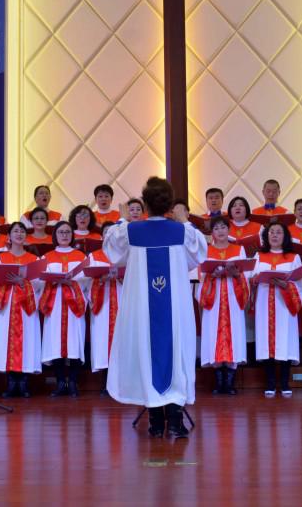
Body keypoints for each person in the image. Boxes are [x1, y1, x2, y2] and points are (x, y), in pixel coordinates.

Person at [103, 177, 207, 438]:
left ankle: (155, 421)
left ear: (145, 204)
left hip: (142, 309)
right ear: (170, 204)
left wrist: (123, 218)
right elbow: (198, 255)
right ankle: (174, 420)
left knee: (146, 352)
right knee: (176, 352)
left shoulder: (130, 231)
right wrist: (184, 220)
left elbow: (112, 250)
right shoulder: (183, 231)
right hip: (175, 308)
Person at [0, 222, 43, 398]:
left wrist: (23, 282)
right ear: (9, 236)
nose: (19, 234)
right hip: (6, 303)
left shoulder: (33, 259)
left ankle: (24, 382)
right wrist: (8, 281)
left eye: (22, 231)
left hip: (26, 304)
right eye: (15, 231)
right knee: (5, 340)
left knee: (27, 339)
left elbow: (39, 283)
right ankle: (11, 382)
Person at [197, 217, 249, 395]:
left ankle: (230, 382)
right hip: (215, 296)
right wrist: (212, 275)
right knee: (213, 334)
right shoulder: (206, 250)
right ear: (212, 232)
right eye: (216, 228)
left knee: (234, 332)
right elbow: (202, 275)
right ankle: (219, 381)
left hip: (233, 296)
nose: (220, 231)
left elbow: (245, 275)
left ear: (229, 229)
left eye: (223, 227)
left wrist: (236, 274)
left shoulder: (238, 249)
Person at [252, 223, 302, 397]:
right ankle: (270, 383)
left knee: (285, 340)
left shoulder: (293, 257)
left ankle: (285, 383)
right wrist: (256, 279)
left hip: (285, 303)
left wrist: (286, 285)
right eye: (271, 232)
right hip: (264, 301)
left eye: (279, 232)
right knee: (267, 341)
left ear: (285, 236)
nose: (274, 235)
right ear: (266, 236)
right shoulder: (259, 256)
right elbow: (251, 279)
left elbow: (299, 283)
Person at [40, 221, 88, 397]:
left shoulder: (81, 256)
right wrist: (52, 280)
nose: (65, 235)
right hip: (55, 304)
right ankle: (60, 382)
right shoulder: (47, 256)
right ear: (55, 235)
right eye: (61, 232)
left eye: (68, 232)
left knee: (74, 343)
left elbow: (88, 280)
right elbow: (39, 280)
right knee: (56, 344)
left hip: (74, 304)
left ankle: (73, 381)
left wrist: (72, 281)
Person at [87, 222, 121, 393]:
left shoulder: (126, 254)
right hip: (102, 300)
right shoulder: (94, 256)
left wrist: (119, 276)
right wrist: (101, 279)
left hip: (122, 300)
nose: (109, 235)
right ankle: (105, 382)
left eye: (112, 232)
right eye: (106, 232)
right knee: (102, 340)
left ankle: (122, 382)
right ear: (102, 236)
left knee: (122, 339)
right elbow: (87, 279)